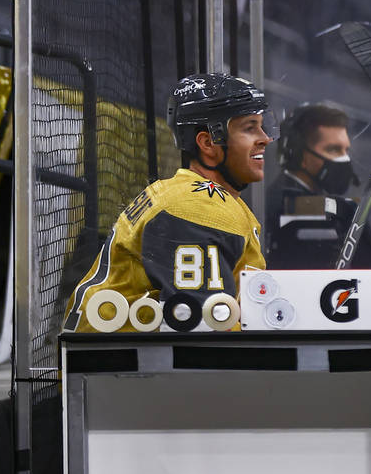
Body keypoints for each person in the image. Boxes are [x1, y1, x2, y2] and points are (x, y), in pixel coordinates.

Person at [62, 74, 273, 333]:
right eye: (249, 128)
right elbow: (202, 334)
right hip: (120, 368)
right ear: (208, 142)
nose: (265, 138)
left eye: (262, 127)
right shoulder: (197, 208)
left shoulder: (190, 195)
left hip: (115, 362)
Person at [263, 103, 371, 269]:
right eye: (333, 149)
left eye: (345, 150)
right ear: (299, 154)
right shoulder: (280, 206)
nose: (344, 159)